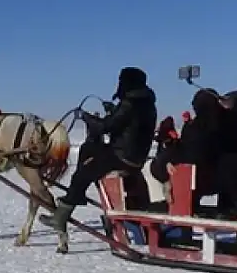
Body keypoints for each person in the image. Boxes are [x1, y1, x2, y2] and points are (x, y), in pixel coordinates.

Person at [40, 67, 157, 232]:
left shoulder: (129, 104)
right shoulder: (146, 103)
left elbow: (105, 127)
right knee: (88, 148)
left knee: (83, 173)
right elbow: (124, 124)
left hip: (121, 156)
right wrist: (113, 110)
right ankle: (77, 194)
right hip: (135, 156)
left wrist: (86, 117)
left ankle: (60, 217)